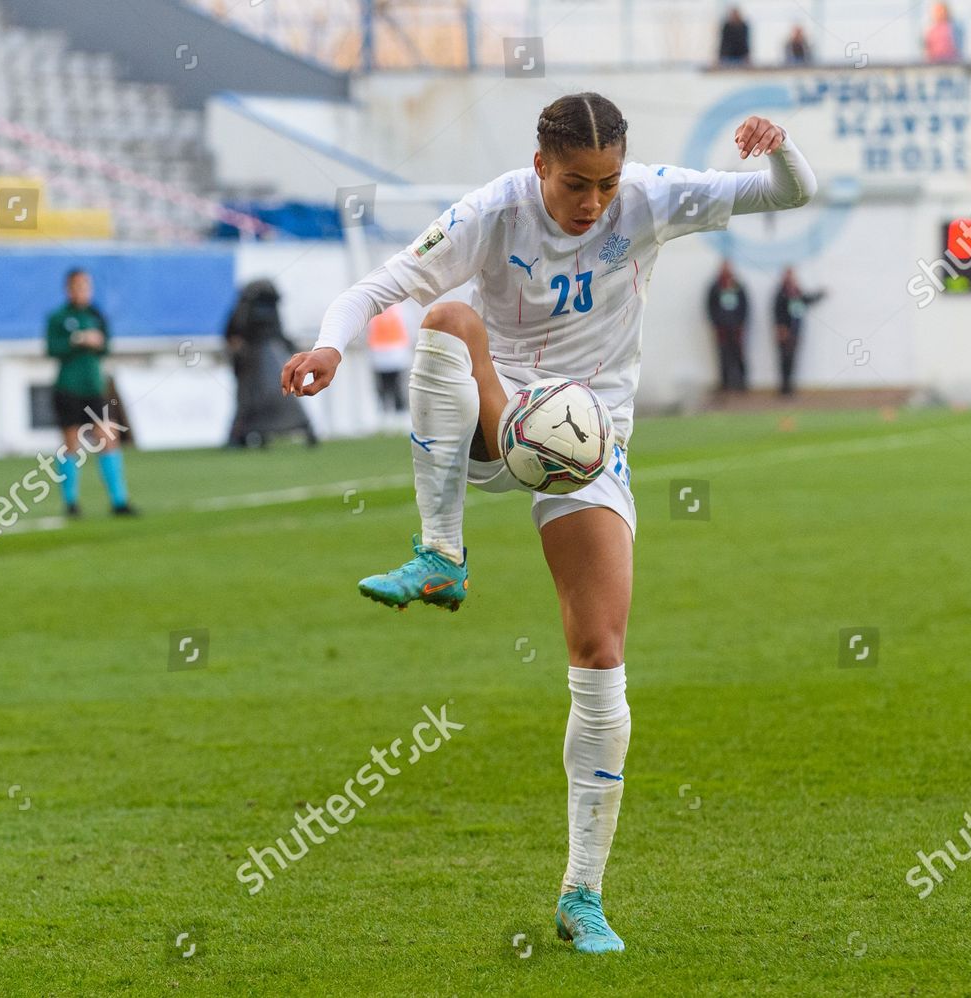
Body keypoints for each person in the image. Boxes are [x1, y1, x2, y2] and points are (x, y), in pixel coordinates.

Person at [280, 92, 815, 954]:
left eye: (605, 184)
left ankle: (582, 897)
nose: (593, 202)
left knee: (601, 656)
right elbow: (380, 285)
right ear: (540, 167)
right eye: (575, 183)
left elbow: (786, 194)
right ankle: (441, 552)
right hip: (499, 419)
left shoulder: (650, 196)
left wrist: (779, 146)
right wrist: (331, 345)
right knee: (446, 319)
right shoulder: (493, 212)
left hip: (592, 439)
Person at [46, 268, 134, 517]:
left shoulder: (97, 316)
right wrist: (76, 340)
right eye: (77, 286)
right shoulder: (58, 317)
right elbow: (52, 348)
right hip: (68, 387)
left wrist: (98, 342)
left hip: (94, 387)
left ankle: (119, 501)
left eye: (86, 286)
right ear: (68, 289)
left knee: (108, 437)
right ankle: (71, 503)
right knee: (71, 442)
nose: (82, 291)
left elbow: (106, 347)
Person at [224, 279, 318, 447]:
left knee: (262, 398)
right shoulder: (246, 313)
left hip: (265, 362)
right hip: (255, 363)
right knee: (251, 400)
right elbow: (233, 337)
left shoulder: (247, 311)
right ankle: (241, 436)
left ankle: (244, 436)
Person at [772, 268, 826, 396]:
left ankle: (790, 387)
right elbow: (777, 312)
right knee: (784, 359)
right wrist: (781, 327)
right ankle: (784, 388)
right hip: (785, 331)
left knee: (792, 359)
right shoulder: (781, 293)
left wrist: (820, 294)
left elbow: (807, 300)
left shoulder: (797, 292)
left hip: (796, 331)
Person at [707, 262, 750, 391]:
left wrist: (741, 322)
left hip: (736, 328)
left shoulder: (737, 286)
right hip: (722, 329)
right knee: (723, 356)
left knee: (739, 355)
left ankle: (741, 383)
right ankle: (725, 384)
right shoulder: (716, 286)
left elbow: (744, 306)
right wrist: (716, 323)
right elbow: (710, 306)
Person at [367, 306, 412, 413]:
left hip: (395, 353)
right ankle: (387, 411)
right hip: (381, 354)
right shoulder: (374, 309)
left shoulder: (400, 309)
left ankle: (398, 410)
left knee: (397, 386)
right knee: (384, 387)